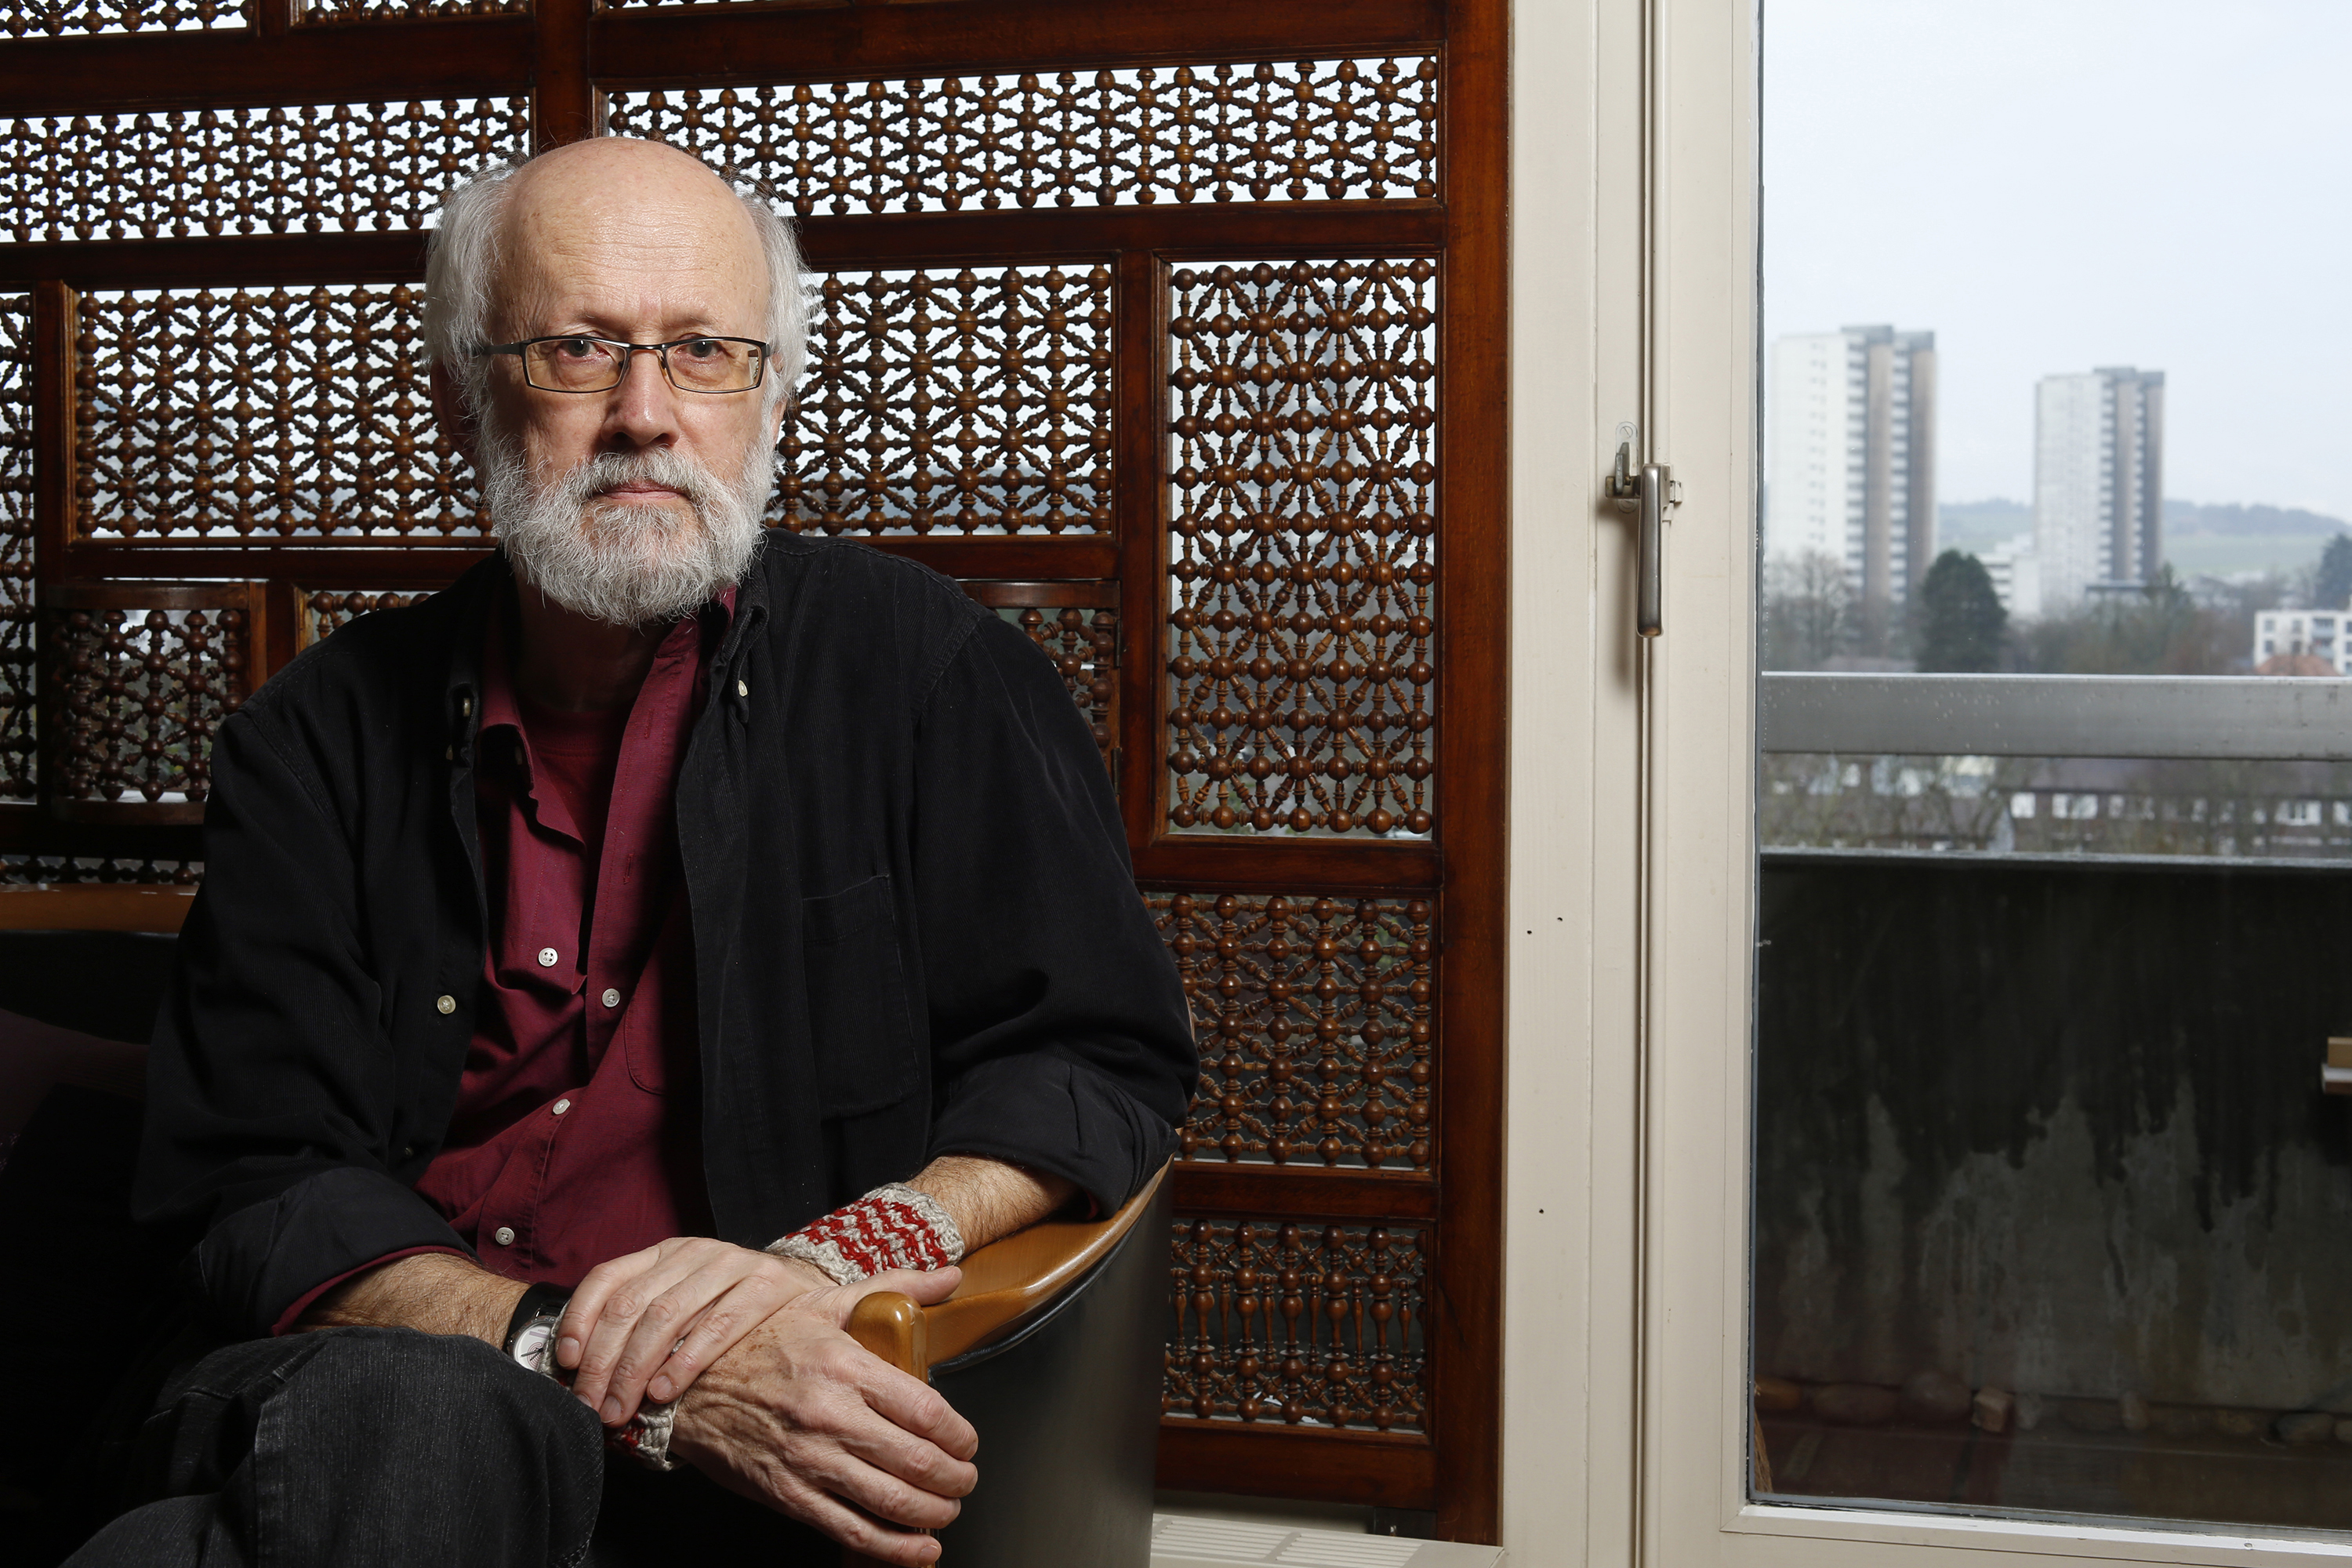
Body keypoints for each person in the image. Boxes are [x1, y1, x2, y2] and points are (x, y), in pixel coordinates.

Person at [68, 136, 1195, 1568]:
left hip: (766, 1414)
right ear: (464, 395)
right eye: (579, 349)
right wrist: (600, 1366)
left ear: (771, 392)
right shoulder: (313, 739)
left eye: (705, 352)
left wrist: (830, 1260)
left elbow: (1096, 1058)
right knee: (421, 1415)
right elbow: (252, 1182)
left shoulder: (927, 676)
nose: (645, 416)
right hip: (374, 1383)